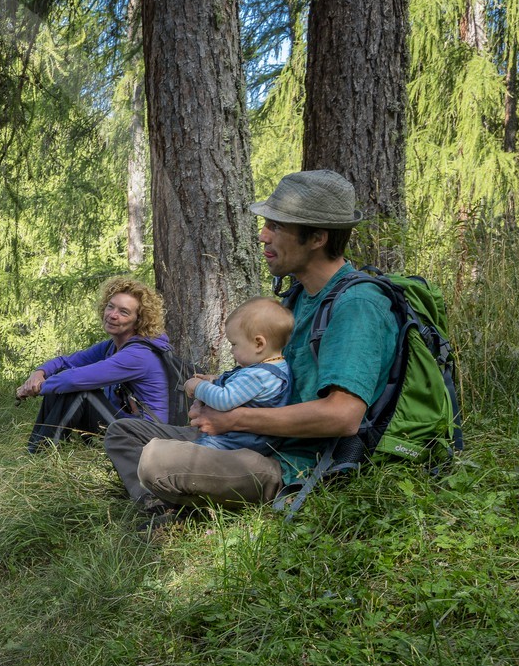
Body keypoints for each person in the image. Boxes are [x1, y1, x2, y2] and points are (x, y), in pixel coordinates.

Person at [103, 169, 398, 531]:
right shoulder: (301, 297)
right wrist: (225, 384)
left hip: (289, 462)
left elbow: (343, 416)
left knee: (154, 461)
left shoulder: (356, 305)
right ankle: (162, 511)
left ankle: (174, 502)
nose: (263, 236)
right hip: (253, 440)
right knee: (124, 433)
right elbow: (279, 376)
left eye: (276, 226)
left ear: (318, 237)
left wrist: (234, 418)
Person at [16, 276, 175, 451]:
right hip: (122, 426)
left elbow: (74, 380)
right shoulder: (112, 346)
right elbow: (65, 362)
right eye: (110, 306)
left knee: (80, 392)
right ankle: (35, 451)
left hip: (145, 442)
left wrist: (38, 387)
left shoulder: (139, 355)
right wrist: (39, 374)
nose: (113, 315)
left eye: (124, 312)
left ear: (139, 320)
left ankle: (38, 455)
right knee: (61, 386)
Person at [184, 297, 292, 454]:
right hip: (248, 439)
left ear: (259, 344)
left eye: (234, 344)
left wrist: (197, 386)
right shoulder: (275, 367)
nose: (231, 350)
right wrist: (214, 380)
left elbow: (224, 400)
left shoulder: (258, 375)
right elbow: (241, 390)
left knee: (191, 454)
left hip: (241, 442)